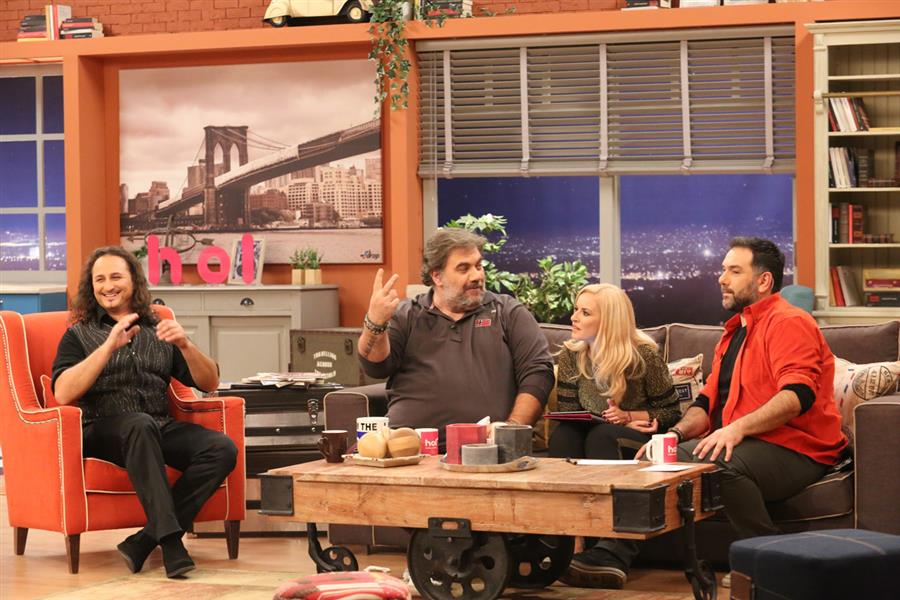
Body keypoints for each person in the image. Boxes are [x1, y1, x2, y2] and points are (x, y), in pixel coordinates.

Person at [562, 237, 847, 590]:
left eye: (734, 271)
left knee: (717, 460)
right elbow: (705, 405)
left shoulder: (789, 322)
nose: (721, 278)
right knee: (656, 456)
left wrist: (735, 429)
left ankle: (769, 562)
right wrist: (674, 435)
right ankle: (612, 556)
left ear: (763, 281)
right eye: (723, 270)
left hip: (797, 448)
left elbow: (796, 396)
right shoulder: (733, 333)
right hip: (747, 444)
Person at [51, 246, 237, 578]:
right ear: (91, 287)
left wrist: (185, 344)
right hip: (102, 430)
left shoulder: (158, 329)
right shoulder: (77, 335)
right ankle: (171, 544)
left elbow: (210, 382)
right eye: (99, 279)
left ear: (134, 281)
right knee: (138, 425)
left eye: (116, 277)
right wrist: (108, 346)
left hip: (157, 426)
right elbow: (63, 393)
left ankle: (144, 540)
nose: (108, 286)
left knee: (221, 448)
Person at [357, 228, 555, 443]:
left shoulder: (507, 312)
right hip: (408, 446)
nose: (477, 276)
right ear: (437, 276)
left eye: (478, 266)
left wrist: (512, 428)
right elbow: (375, 367)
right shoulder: (407, 315)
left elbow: (538, 374)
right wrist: (375, 323)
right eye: (464, 268)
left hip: (487, 447)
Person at [549, 283, 681, 460]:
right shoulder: (571, 354)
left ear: (609, 321)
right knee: (564, 434)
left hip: (635, 435)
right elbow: (569, 414)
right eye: (575, 309)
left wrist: (628, 417)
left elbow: (672, 412)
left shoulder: (643, 356)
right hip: (593, 430)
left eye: (585, 313)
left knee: (602, 436)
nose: (574, 317)